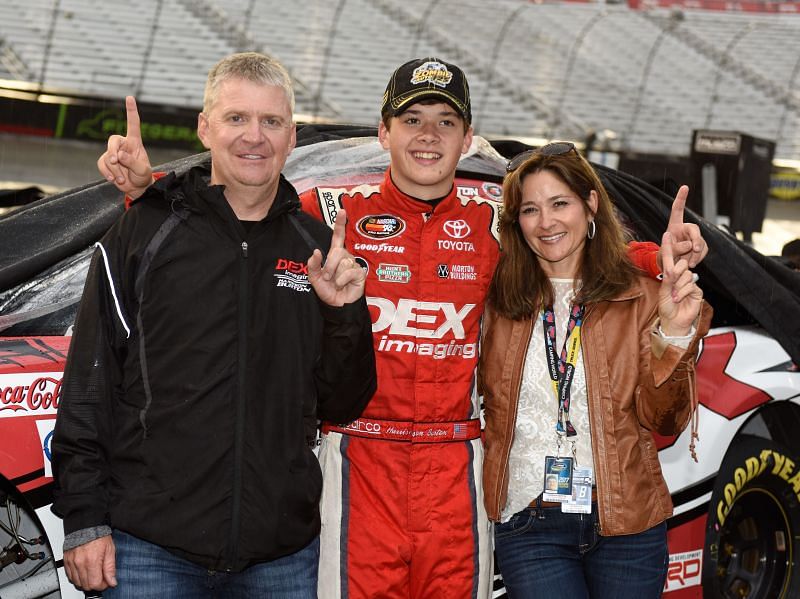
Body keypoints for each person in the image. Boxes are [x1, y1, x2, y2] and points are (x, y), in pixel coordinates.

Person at [98, 57, 708, 598]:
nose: (428, 136)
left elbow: (573, 245)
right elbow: (237, 216)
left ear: (468, 139)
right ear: (383, 131)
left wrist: (658, 258)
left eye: (446, 122)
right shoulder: (330, 210)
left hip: (456, 462)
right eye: (412, 119)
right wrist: (144, 193)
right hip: (359, 457)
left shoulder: (498, 220)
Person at [52, 52, 376, 597]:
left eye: (271, 121)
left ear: (292, 137)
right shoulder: (144, 233)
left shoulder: (319, 250)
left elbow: (343, 403)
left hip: (280, 557)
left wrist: (342, 314)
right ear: (205, 128)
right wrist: (84, 519)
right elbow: (89, 385)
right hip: (148, 548)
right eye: (236, 118)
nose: (255, 136)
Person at [478, 142, 713, 598]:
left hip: (627, 522)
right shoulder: (497, 298)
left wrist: (675, 333)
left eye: (559, 203)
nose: (546, 222)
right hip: (530, 519)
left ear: (590, 204)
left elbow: (664, 419)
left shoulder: (644, 294)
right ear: (516, 221)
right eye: (530, 209)